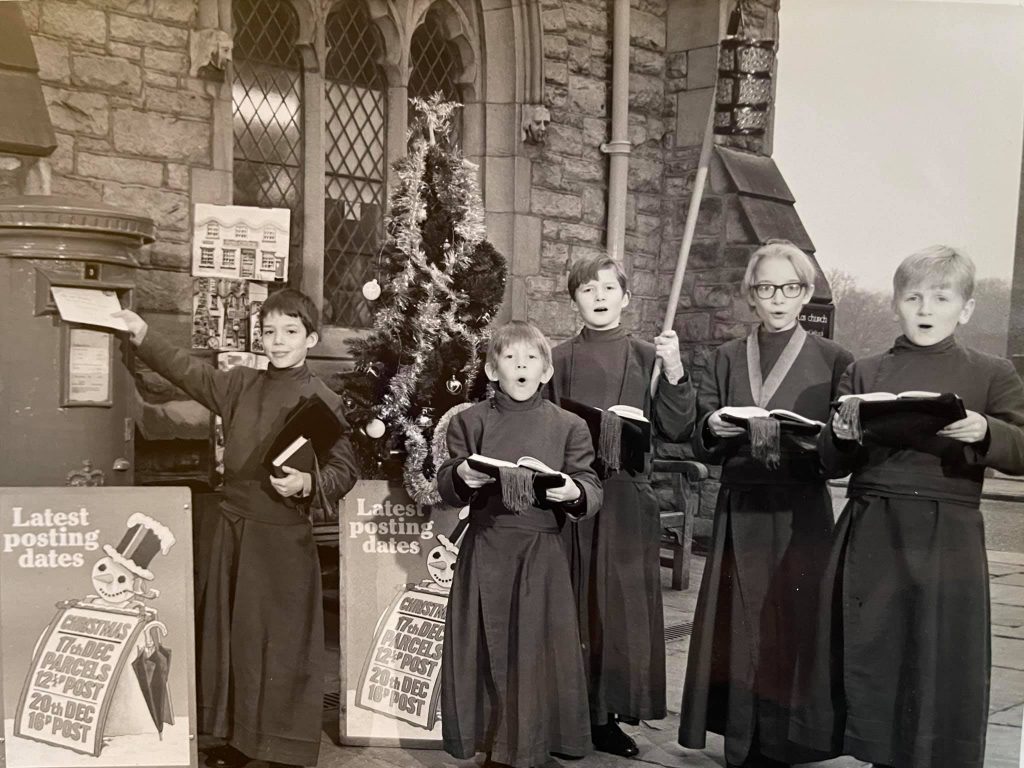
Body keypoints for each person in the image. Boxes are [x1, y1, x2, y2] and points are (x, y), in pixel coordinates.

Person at [792, 245, 1024, 768]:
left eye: (941, 298)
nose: (925, 308)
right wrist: (842, 434)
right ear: (896, 303)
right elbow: (830, 463)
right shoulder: (865, 372)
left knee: (937, 655)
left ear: (964, 309)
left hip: (949, 535)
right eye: (913, 296)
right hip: (874, 526)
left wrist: (989, 431)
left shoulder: (992, 372)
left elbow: (1022, 448)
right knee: (875, 652)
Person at [116, 289, 357, 768]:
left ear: (311, 338)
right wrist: (142, 334)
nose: (278, 341)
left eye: (290, 332)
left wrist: (308, 482)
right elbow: (188, 371)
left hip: (282, 538)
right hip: (231, 533)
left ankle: (279, 746)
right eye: (269, 332)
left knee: (279, 643)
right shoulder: (240, 384)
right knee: (230, 639)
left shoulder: (325, 399)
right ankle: (231, 738)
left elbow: (343, 470)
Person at [678, 241, 852, 768]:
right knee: (740, 624)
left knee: (793, 623)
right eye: (766, 287)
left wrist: (825, 439)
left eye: (790, 287)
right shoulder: (726, 356)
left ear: (807, 293)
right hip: (743, 506)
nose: (778, 298)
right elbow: (700, 437)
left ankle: (788, 741)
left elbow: (840, 457)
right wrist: (711, 425)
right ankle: (741, 736)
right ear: (750, 295)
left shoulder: (834, 360)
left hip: (800, 511)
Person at [546, 256, 696, 757]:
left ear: (625, 297)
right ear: (575, 300)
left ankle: (608, 716)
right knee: (574, 603)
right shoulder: (558, 358)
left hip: (628, 500)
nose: (600, 296)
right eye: (587, 289)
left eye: (609, 288)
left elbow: (677, 428)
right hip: (573, 500)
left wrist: (674, 372)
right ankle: (570, 713)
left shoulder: (649, 356)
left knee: (618, 611)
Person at [437, 320, 602, 768]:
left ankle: (532, 745)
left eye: (532, 359)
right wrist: (462, 476)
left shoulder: (570, 426)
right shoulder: (470, 421)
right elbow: (448, 482)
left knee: (536, 649)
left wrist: (573, 491)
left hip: (541, 553)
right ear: (493, 370)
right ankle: (494, 746)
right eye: (511, 358)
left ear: (547, 372)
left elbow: (588, 483)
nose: (522, 366)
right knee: (486, 648)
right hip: (487, 548)